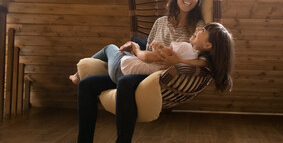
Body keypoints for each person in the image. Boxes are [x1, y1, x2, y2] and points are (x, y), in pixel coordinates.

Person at [68, 0, 206, 143]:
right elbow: (146, 53)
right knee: (87, 85)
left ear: (198, 0)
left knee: (123, 77)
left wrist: (177, 62)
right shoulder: (160, 22)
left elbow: (207, 61)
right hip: (142, 67)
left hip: (159, 77)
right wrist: (138, 50)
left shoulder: (198, 27)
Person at [70, 22, 234, 93]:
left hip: (122, 69)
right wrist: (178, 61)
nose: (198, 28)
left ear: (208, 45)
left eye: (202, 31)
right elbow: (205, 65)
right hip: (133, 72)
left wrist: (136, 49)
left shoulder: (183, 47)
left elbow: (147, 58)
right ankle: (88, 73)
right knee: (125, 51)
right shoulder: (201, 61)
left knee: (111, 48)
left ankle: (77, 75)